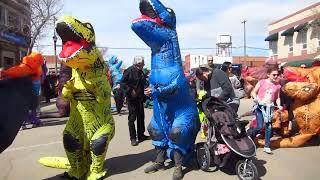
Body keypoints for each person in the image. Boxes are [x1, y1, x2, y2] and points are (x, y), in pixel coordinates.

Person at [247, 67, 282, 154]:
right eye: (274, 75)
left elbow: (277, 97)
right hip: (260, 107)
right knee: (259, 126)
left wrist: (279, 105)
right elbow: (253, 92)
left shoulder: (277, 86)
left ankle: (267, 146)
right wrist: (256, 98)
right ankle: (249, 136)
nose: (276, 76)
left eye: (277, 75)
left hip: (269, 108)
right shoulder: (261, 82)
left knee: (268, 126)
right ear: (268, 75)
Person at [121, 56, 150, 146]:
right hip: (132, 100)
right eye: (139, 64)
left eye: (142, 64)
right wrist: (130, 90)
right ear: (135, 64)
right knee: (132, 118)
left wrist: (147, 88)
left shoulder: (141, 72)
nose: (140, 66)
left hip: (140, 98)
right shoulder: (129, 71)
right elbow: (123, 83)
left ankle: (141, 135)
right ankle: (133, 138)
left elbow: (144, 82)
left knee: (141, 117)